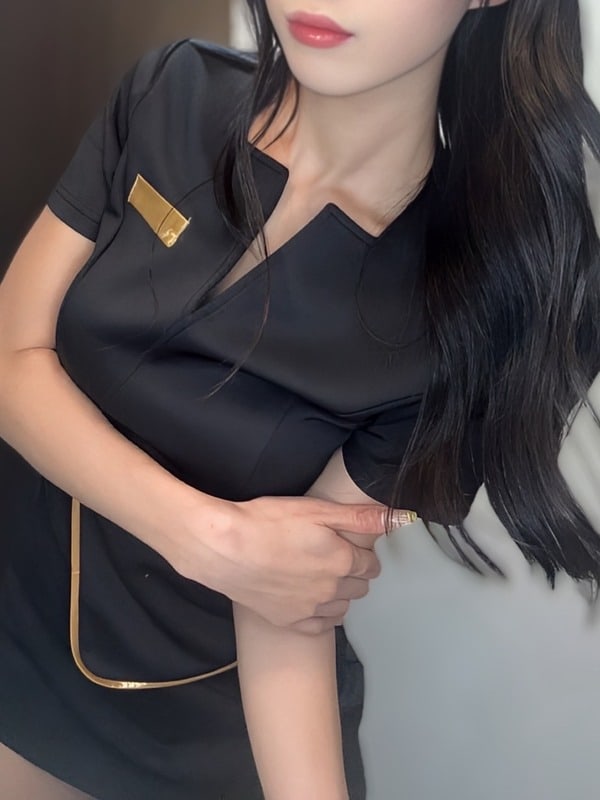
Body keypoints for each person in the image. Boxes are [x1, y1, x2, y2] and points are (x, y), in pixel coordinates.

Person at [0, 0, 599, 798]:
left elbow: (291, 595)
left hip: (206, 719)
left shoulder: (478, 307)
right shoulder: (172, 90)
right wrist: (205, 535)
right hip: (19, 626)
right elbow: (11, 356)